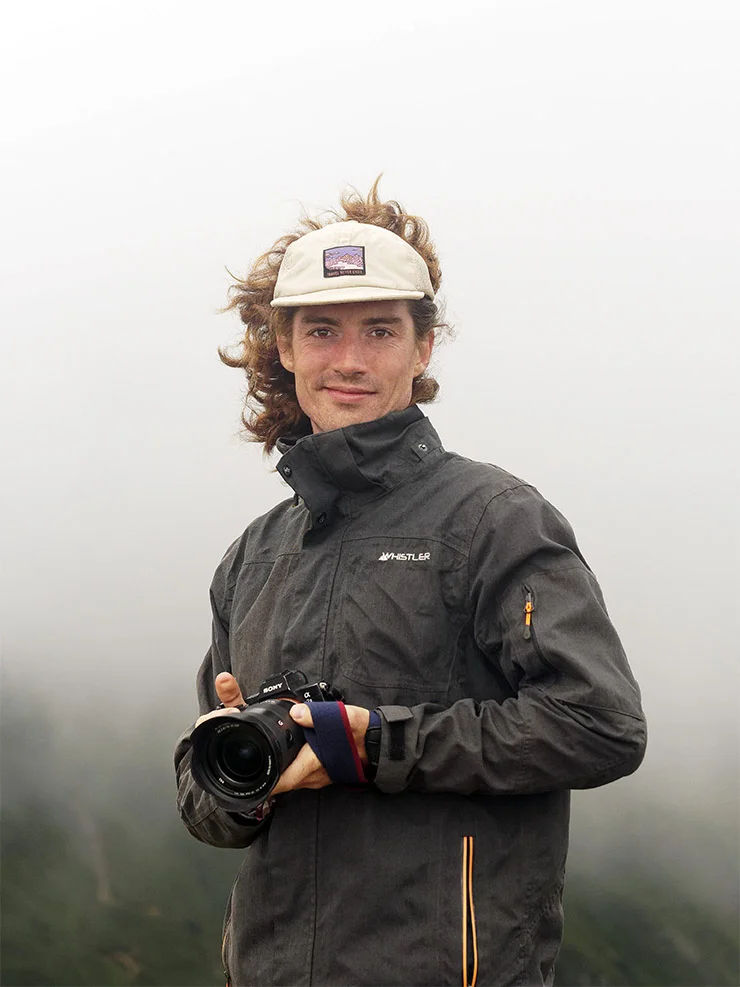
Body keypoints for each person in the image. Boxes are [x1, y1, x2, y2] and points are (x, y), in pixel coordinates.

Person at [174, 181, 647, 987]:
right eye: (321, 330)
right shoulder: (253, 555)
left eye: (380, 330)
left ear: (423, 348)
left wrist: (372, 745)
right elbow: (207, 810)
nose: (349, 359)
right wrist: (235, 775)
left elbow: (601, 723)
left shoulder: (496, 520)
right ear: (284, 347)